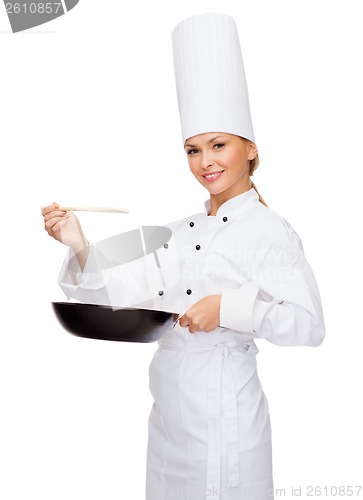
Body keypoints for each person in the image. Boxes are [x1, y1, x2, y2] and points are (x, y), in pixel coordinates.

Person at [41, 12, 325, 500]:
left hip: (227, 422)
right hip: (169, 420)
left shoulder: (270, 231)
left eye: (218, 145)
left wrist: (228, 308)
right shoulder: (174, 231)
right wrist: (79, 245)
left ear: (251, 149)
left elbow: (309, 326)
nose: (206, 162)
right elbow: (121, 292)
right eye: (193, 150)